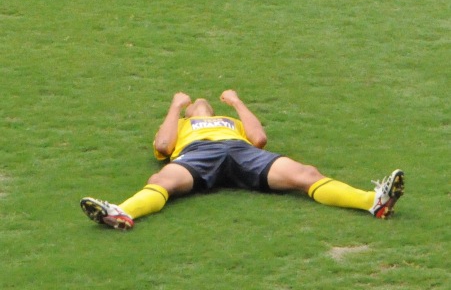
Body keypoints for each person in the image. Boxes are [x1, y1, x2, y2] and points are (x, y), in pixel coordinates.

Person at [80, 90, 405, 230]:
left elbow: (259, 139)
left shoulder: (232, 123)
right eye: (194, 105)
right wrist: (175, 107)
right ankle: (122, 212)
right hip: (198, 154)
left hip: (240, 150)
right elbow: (164, 146)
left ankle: (373, 202)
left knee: (305, 173)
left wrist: (237, 103)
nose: (200, 102)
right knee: (160, 180)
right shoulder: (179, 125)